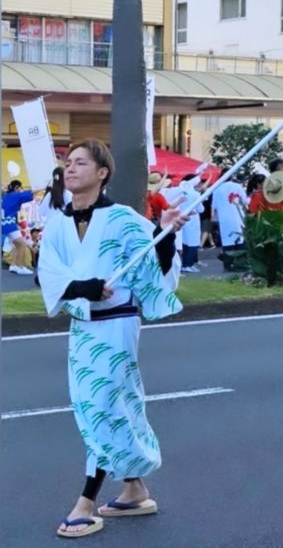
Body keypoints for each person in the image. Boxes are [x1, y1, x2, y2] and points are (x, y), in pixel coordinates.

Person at [37, 139, 188, 539]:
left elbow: (155, 264)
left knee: (100, 403)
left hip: (118, 324)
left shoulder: (124, 219)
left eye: (80, 163)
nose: (70, 169)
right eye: (68, 163)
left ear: (102, 173)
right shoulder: (57, 222)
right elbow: (47, 277)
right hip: (82, 327)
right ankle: (135, 489)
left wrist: (168, 234)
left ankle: (86, 501)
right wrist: (82, 287)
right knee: (112, 404)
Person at [211, 168, 249, 269]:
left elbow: (213, 206)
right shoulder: (237, 186)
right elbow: (245, 201)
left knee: (227, 241)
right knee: (239, 239)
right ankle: (240, 264)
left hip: (224, 219)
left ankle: (228, 264)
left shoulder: (216, 189)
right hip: (237, 217)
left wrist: (213, 219)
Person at [2, 179, 35, 275]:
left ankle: (14, 265)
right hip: (8, 223)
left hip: (4, 223)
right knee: (22, 243)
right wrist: (43, 187)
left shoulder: (6, 196)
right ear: (16, 187)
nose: (21, 190)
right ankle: (19, 266)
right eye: (21, 188)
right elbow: (30, 194)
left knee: (18, 244)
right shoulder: (16, 195)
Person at [179, 174, 204, 273]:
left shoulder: (181, 192)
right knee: (193, 243)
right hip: (192, 220)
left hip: (182, 219)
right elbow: (201, 209)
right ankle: (188, 264)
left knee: (185, 243)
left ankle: (185, 264)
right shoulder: (195, 194)